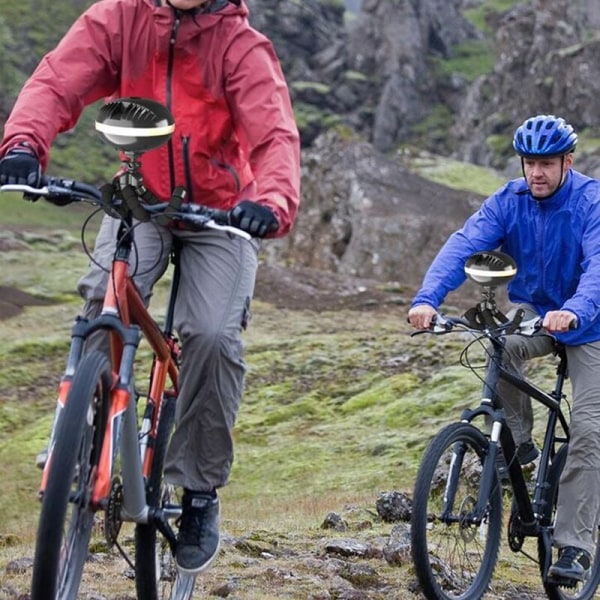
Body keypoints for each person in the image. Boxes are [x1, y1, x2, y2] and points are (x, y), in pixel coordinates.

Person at [0, 0, 300, 576]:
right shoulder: (118, 19)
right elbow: (59, 79)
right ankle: (78, 435)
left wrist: (269, 201)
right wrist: (23, 145)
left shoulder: (240, 45)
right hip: (140, 197)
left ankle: (198, 490)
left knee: (210, 334)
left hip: (222, 213)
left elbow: (274, 136)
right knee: (103, 298)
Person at [407, 114, 600, 583]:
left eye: (547, 164)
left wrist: (574, 310)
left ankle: (574, 546)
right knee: (499, 346)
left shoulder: (591, 201)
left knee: (590, 432)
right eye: (529, 162)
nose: (536, 172)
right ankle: (521, 449)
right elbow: (463, 246)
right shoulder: (508, 201)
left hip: (591, 323)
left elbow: (598, 267)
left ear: (567, 162)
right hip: (537, 315)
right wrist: (427, 299)